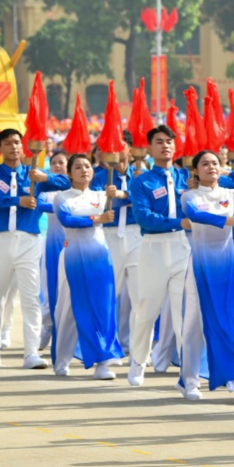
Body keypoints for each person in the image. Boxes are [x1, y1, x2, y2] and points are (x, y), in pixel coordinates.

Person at [0, 129, 69, 368]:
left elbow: (68, 182)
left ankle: (31, 353)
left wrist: (46, 178)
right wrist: (16, 200)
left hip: (28, 242)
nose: (14, 147)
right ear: (0, 149)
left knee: (30, 298)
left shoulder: (34, 175)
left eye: (17, 143)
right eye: (8, 143)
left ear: (23, 146)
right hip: (0, 240)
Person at [179, 150, 234, 403]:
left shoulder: (233, 194)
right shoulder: (189, 196)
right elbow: (196, 215)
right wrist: (229, 220)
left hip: (226, 266)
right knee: (193, 324)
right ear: (195, 171)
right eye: (205, 164)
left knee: (232, 320)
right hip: (200, 267)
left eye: (215, 163)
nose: (211, 167)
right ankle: (190, 379)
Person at [127, 125, 192, 387]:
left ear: (175, 147)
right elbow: (144, 218)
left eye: (169, 142)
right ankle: (138, 362)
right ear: (150, 149)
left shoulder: (187, 177)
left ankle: (187, 372)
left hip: (181, 248)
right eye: (159, 142)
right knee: (146, 309)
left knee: (183, 312)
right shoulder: (141, 181)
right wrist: (178, 223)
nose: (165, 146)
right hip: (153, 248)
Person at [52, 154, 122, 379]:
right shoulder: (62, 197)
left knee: (103, 307)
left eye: (87, 166)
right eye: (78, 167)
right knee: (69, 310)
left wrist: (119, 193)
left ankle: (103, 361)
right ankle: (62, 358)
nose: (84, 170)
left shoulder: (102, 196)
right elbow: (66, 220)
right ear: (69, 173)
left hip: (100, 257)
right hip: (73, 257)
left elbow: (129, 198)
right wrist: (96, 219)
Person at [91, 132, 140, 354]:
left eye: (119, 145)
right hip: (109, 236)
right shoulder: (98, 177)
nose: (114, 150)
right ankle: (107, 346)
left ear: (129, 149)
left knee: (140, 296)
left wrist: (122, 194)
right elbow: (94, 203)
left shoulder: (141, 175)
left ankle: (137, 347)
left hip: (137, 236)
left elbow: (143, 200)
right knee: (109, 294)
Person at [36, 151, 69, 356]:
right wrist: (60, 208)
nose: (57, 165)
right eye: (54, 163)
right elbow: (37, 204)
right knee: (49, 289)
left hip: (73, 245)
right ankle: (48, 325)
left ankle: (66, 334)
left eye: (61, 163)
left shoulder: (73, 189)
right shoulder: (47, 189)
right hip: (52, 243)